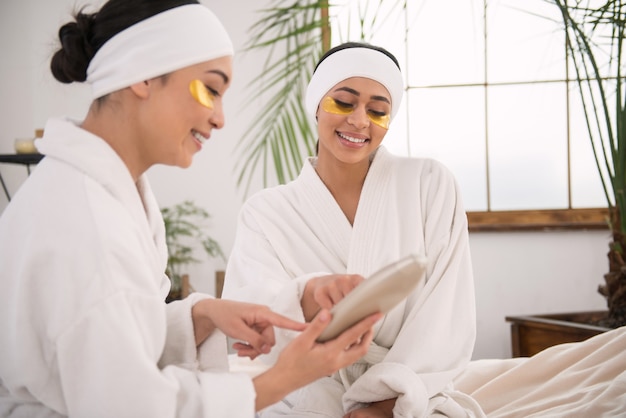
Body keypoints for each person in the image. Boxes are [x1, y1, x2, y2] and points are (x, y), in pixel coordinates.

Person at [0, 3, 382, 417]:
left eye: (379, 110)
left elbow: (103, 344)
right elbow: (124, 404)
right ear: (142, 74)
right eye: (211, 90)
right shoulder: (86, 222)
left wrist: (202, 316)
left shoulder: (103, 193)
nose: (219, 118)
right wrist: (284, 378)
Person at [222, 42, 480, 417]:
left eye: (378, 111)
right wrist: (310, 295)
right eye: (343, 102)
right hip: (307, 388)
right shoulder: (266, 212)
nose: (360, 121)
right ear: (316, 105)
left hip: (410, 393)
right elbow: (252, 316)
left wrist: (383, 403)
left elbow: (447, 312)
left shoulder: (429, 183)